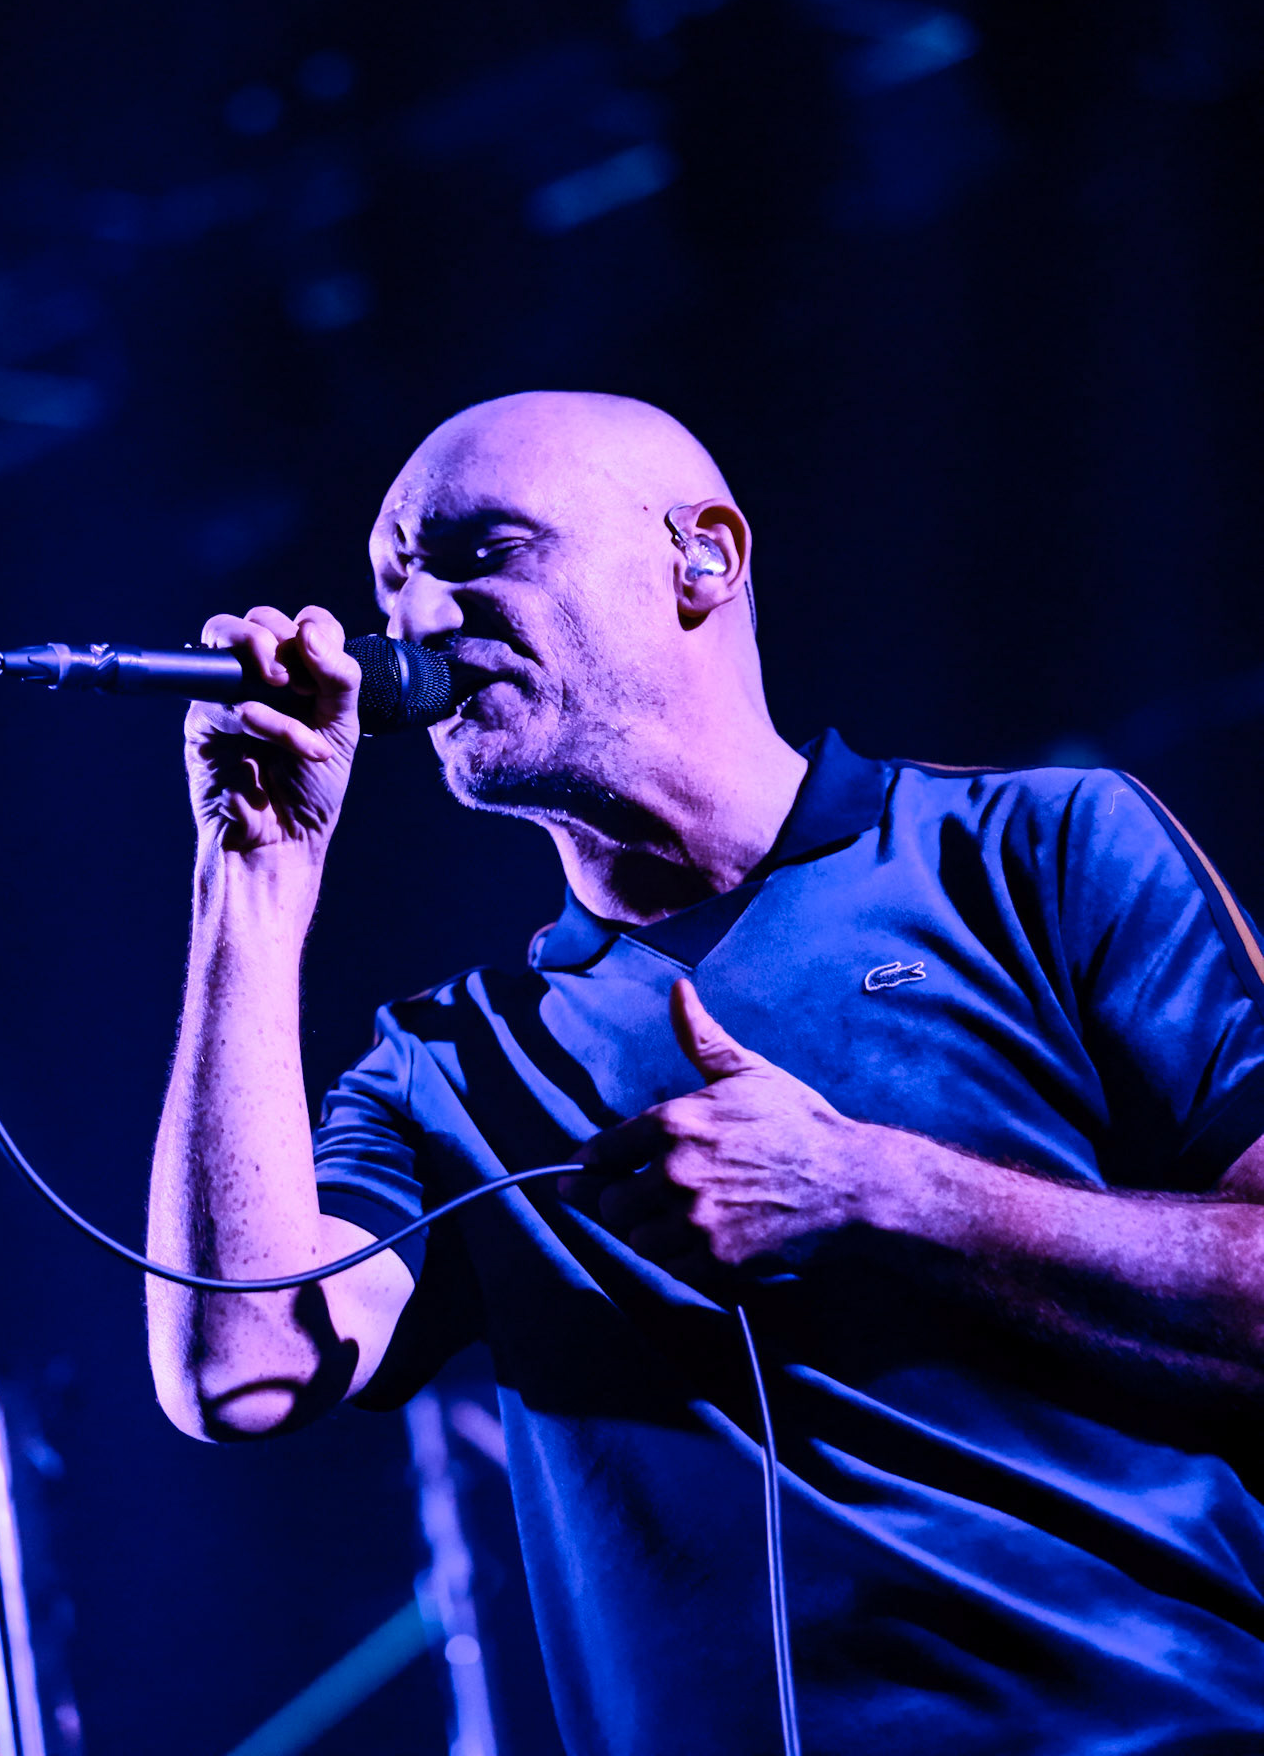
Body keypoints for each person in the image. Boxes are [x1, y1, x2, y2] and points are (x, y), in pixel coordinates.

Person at [146, 390, 1264, 1756]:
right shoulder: (448, 1062)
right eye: (392, 580)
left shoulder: (1032, 852)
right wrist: (251, 882)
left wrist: (871, 1186)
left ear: (703, 557)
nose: (418, 620)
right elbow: (237, 1369)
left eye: (482, 553)